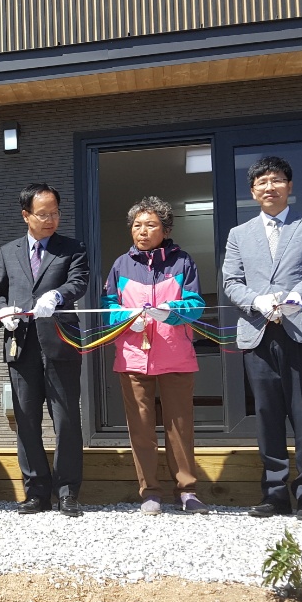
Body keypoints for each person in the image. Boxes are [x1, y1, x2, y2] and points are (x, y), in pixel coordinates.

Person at [221, 157, 302, 523]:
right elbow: (231, 282)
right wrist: (256, 301)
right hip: (257, 331)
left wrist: (295, 296)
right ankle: (274, 495)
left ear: (289, 186)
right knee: (267, 415)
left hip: (300, 329)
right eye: (262, 182)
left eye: (277, 180)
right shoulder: (239, 234)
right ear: (253, 191)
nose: (269, 187)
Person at [104, 197, 208, 515]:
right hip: (133, 356)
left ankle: (187, 490)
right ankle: (149, 492)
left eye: (150, 225)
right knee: (141, 429)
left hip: (175, 354)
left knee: (180, 427)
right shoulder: (121, 265)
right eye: (137, 225)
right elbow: (108, 306)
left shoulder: (183, 262)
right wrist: (125, 318)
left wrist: (170, 310)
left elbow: (196, 304)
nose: (142, 231)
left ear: (166, 229)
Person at [0, 183, 89, 517]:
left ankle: (67, 492)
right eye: (43, 214)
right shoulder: (8, 251)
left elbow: (78, 281)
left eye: (55, 213)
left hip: (60, 342)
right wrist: (2, 312)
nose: (50, 220)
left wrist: (57, 295)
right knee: (26, 421)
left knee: (66, 419)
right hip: (20, 344)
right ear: (26, 215)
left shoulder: (72, 248)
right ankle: (35, 493)